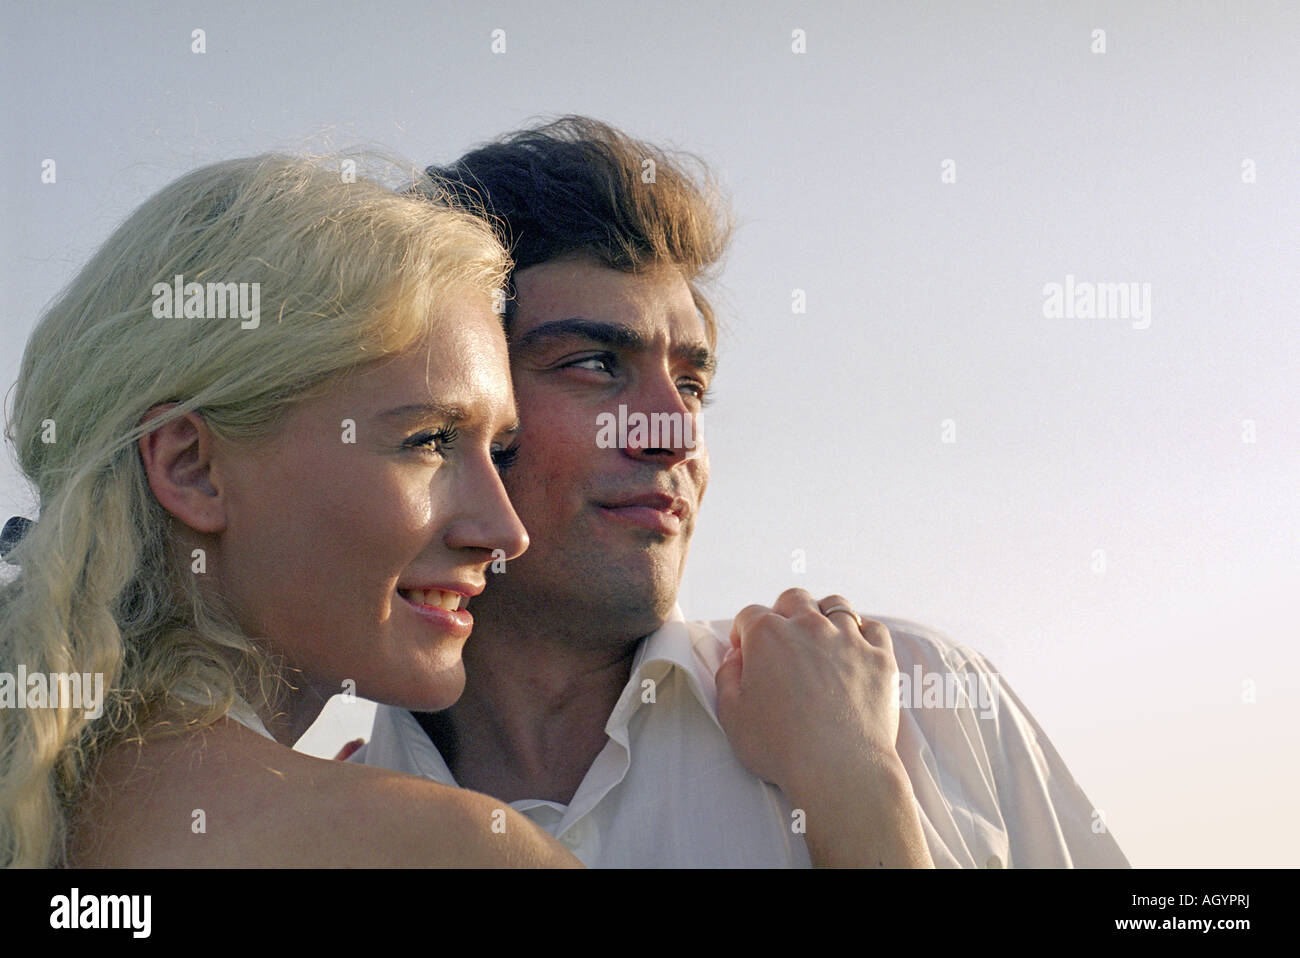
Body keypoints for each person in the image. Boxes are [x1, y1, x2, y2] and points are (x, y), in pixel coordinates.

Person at [0, 152, 929, 868]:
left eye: (496, 445)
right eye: (430, 442)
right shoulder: (444, 847)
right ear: (193, 467)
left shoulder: (54, 806)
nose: (502, 527)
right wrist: (860, 794)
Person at [350, 117, 1131, 868]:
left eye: (691, 384)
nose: (674, 434)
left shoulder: (928, 704)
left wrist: (862, 780)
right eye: (594, 364)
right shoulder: (323, 827)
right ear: (454, 406)